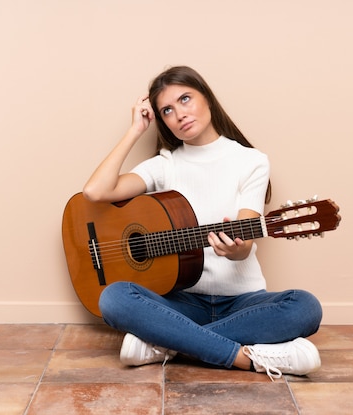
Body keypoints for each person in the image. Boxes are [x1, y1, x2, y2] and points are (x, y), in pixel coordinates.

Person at [83, 66, 322, 380]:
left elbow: (245, 243)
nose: (179, 114)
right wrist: (134, 131)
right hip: (181, 300)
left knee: (305, 307)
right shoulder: (164, 165)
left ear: (207, 98)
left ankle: (165, 344)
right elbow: (96, 191)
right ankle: (246, 358)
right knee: (113, 299)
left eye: (185, 99)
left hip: (243, 302)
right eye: (167, 110)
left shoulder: (251, 161)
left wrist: (235, 250)